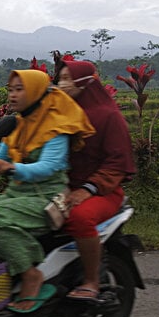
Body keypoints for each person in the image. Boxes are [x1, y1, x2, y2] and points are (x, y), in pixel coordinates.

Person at [0, 69, 95, 313]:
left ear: (34, 91)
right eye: (10, 89)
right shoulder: (18, 123)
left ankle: (31, 274)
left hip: (45, 199)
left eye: (19, 89)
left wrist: (12, 168)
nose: (12, 95)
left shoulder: (56, 126)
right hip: (16, 196)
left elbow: (48, 167)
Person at [55, 59, 136, 301]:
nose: (61, 84)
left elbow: (117, 163)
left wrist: (87, 190)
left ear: (86, 84)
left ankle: (91, 280)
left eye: (67, 79)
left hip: (103, 191)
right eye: (60, 78)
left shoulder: (109, 116)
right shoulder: (62, 114)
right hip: (63, 186)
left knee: (80, 218)